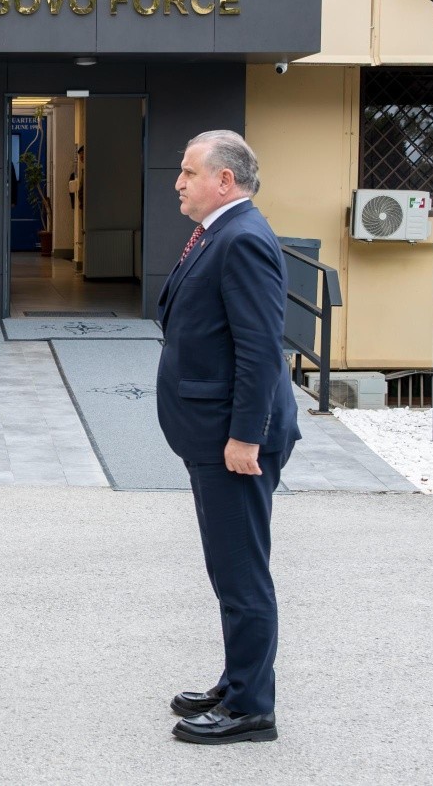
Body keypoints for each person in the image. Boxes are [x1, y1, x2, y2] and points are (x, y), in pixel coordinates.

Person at [155, 130, 300, 745]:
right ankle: (238, 678)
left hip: (233, 443)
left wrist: (246, 437)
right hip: (212, 435)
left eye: (189, 172)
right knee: (227, 567)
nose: (179, 183)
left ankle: (251, 708)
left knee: (241, 572)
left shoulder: (241, 239)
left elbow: (262, 348)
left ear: (224, 180)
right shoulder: (218, 232)